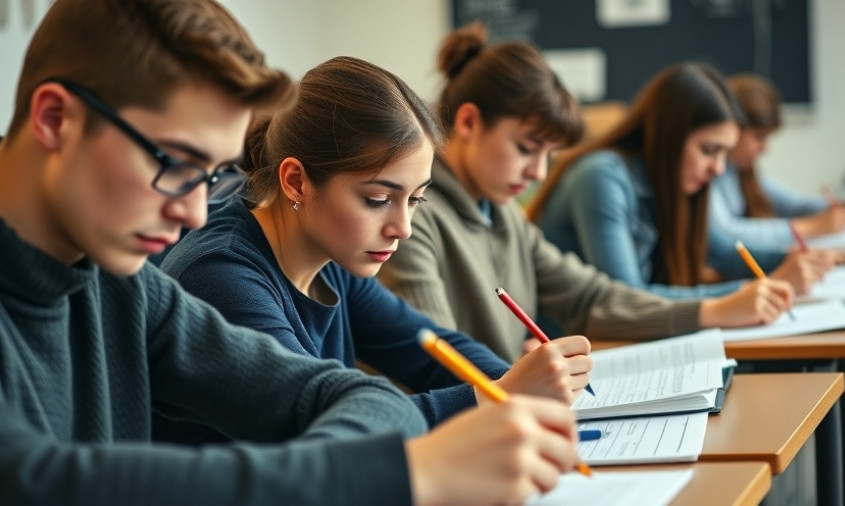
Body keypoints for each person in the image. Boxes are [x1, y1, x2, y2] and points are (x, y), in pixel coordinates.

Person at [0, 2, 580, 505]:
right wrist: (404, 471)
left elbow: (351, 395)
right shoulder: (188, 268)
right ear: (56, 119)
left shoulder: (120, 283)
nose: (195, 213)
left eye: (206, 176)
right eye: (175, 165)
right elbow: (39, 486)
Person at [159, 56, 591, 434]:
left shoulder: (330, 259)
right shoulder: (220, 277)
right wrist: (494, 396)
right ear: (296, 182)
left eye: (416, 199)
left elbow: (429, 348)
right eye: (378, 200)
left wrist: (515, 379)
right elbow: (324, 422)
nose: (402, 227)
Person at [378, 23, 793, 363]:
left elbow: (591, 296)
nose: (539, 172)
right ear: (468, 123)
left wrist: (713, 309)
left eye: (548, 156)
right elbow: (436, 358)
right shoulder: (415, 219)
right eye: (526, 148)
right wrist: (517, 377)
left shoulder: (503, 215)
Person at [528, 63, 838, 300]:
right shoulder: (600, 177)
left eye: (724, 153)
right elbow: (629, 300)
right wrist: (746, 294)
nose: (718, 169)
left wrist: (792, 261)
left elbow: (724, 251)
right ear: (669, 138)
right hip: (568, 355)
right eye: (708, 150)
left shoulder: (672, 184)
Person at [708, 73, 845, 251]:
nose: (765, 149)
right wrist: (810, 227)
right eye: (759, 137)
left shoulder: (742, 170)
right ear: (732, 128)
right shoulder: (707, 170)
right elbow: (726, 233)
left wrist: (828, 209)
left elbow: (792, 202)